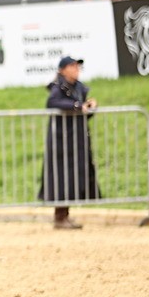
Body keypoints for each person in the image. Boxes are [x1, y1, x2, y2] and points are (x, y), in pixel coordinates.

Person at [38, 56, 100, 229]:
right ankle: (60, 217)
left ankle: (65, 215)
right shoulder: (58, 87)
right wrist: (77, 106)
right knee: (62, 178)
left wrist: (89, 106)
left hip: (76, 140)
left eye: (77, 66)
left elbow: (82, 110)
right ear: (62, 70)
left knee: (72, 178)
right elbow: (52, 102)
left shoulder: (79, 88)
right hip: (61, 142)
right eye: (72, 66)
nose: (76, 69)